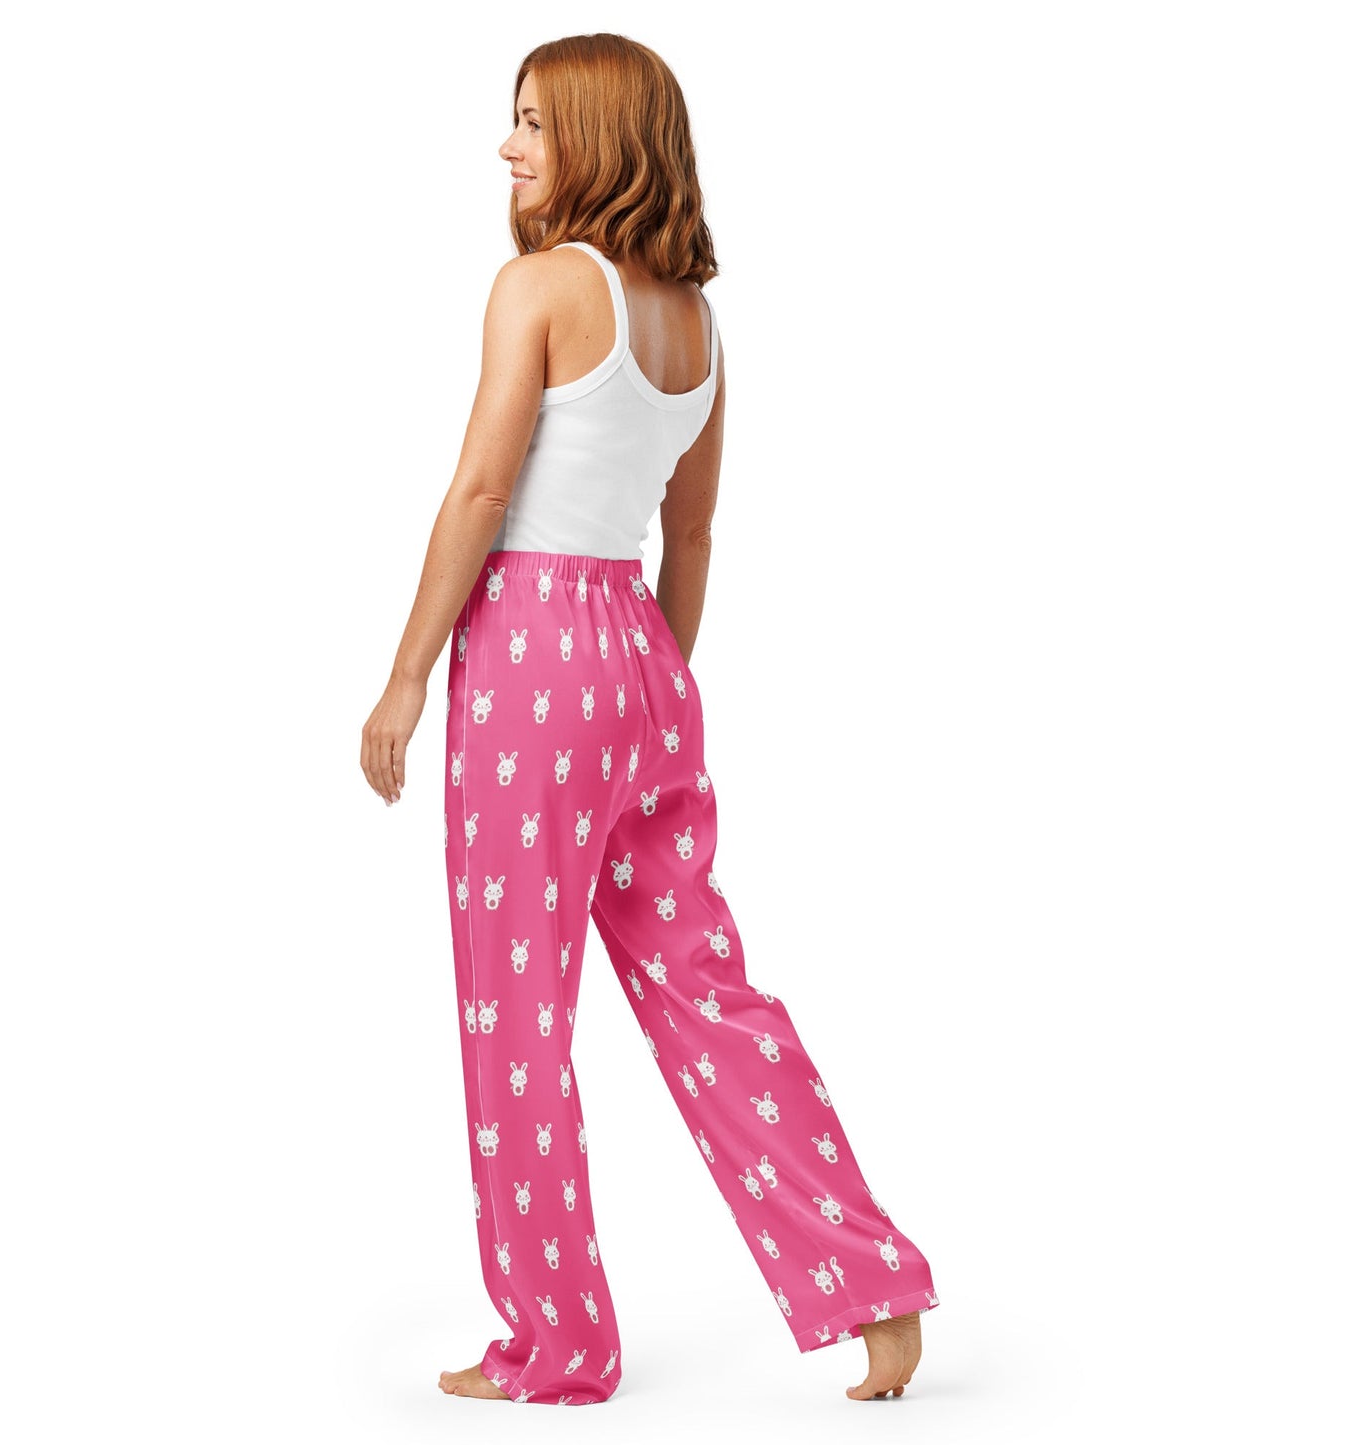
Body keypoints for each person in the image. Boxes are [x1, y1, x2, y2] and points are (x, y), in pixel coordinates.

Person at [360, 33, 938, 1406]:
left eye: (533, 123)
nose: (509, 148)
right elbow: (693, 534)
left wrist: (407, 675)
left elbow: (479, 491)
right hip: (639, 653)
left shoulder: (539, 287)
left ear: (599, 137)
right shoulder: (697, 323)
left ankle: (558, 1341)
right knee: (705, 987)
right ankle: (873, 1286)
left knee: (516, 1007)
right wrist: (652, 697)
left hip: (530, 649)